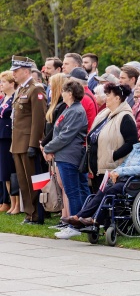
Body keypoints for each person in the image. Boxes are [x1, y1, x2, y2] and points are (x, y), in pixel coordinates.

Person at [56, 124, 140, 239]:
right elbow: (124, 164)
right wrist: (115, 172)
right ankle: (84, 218)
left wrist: (121, 171)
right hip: (128, 179)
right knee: (103, 189)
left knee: (110, 191)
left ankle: (90, 219)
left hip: (138, 181)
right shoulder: (137, 148)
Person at [42, 80, 90, 220]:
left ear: (70, 93)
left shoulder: (76, 111)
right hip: (63, 154)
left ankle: (75, 222)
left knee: (72, 191)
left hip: (70, 155)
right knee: (74, 190)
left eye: (64, 91)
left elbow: (65, 136)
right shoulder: (69, 108)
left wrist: (47, 148)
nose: (61, 93)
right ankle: (78, 220)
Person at [10, 56, 46, 225]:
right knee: (23, 181)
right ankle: (30, 214)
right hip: (17, 142)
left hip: (28, 142)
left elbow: (38, 120)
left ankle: (37, 215)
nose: (14, 74)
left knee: (34, 180)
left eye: (16, 71)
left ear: (26, 71)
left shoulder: (35, 89)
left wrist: (34, 144)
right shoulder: (22, 90)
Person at [86, 83, 137, 194]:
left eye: (109, 95)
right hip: (97, 168)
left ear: (117, 98)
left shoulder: (126, 117)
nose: (106, 97)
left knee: (105, 202)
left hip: (110, 169)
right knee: (97, 200)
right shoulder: (104, 114)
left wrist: (112, 156)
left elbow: (132, 142)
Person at [0, 71, 17, 213]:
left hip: (9, 137)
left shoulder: (14, 98)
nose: (1, 85)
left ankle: (14, 203)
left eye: (4, 82)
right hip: (2, 135)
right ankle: (9, 202)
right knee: (4, 172)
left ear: (12, 84)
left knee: (10, 170)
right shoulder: (4, 99)